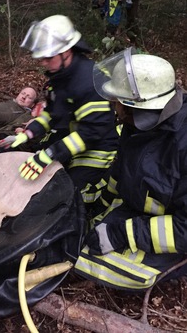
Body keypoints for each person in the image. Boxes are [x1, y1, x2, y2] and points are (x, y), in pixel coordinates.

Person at [75, 47, 187, 290]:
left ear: (140, 105)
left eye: (116, 102)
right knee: (80, 235)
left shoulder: (181, 144)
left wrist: (120, 234)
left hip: (176, 235)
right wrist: (96, 201)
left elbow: (183, 228)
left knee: (86, 260)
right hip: (143, 214)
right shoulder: (136, 124)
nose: (112, 107)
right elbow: (122, 171)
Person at [1, 15, 119, 207]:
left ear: (67, 51)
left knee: (69, 196)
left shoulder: (90, 81)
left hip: (97, 150)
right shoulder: (60, 76)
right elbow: (52, 114)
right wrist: (28, 134)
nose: (43, 63)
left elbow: (91, 132)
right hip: (71, 142)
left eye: (48, 57)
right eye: (41, 57)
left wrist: (49, 154)